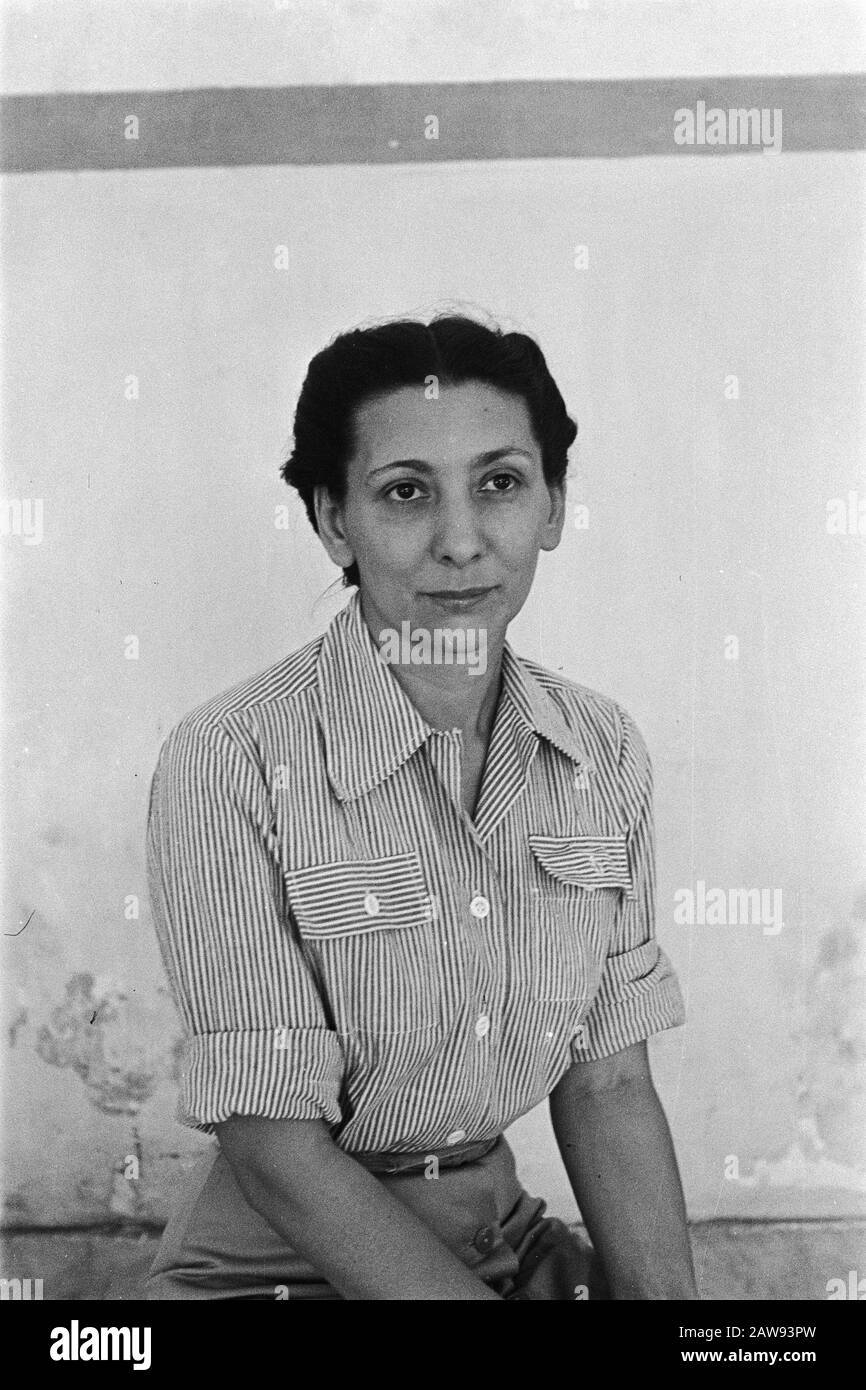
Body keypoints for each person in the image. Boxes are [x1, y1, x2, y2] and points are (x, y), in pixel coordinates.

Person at [145, 312, 697, 1300]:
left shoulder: (600, 751)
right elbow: (276, 1154)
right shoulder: (227, 759)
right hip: (278, 1266)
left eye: (499, 484)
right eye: (405, 493)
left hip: (499, 1242)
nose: (459, 541)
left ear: (554, 505)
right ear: (330, 519)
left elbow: (607, 1082)